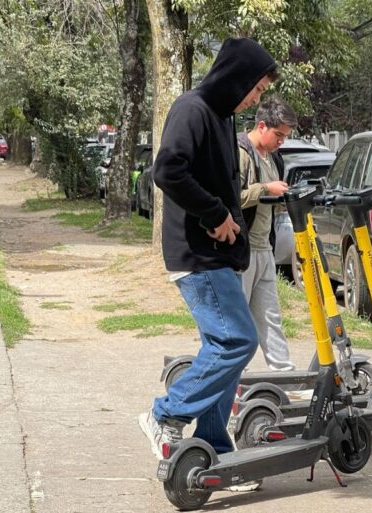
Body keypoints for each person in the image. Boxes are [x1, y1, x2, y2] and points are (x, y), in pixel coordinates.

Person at [140, 38, 278, 466]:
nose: (256, 99)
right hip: (195, 255)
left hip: (220, 255)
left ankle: (215, 444)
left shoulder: (221, 118)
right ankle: (164, 414)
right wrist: (215, 214)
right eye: (255, 89)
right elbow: (167, 170)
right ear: (236, 77)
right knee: (238, 341)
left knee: (224, 352)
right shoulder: (192, 108)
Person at [238, 97, 297, 371]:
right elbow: (231, 198)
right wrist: (266, 189)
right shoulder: (241, 152)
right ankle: (233, 377)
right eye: (279, 135)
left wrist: (281, 197)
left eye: (285, 137)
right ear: (262, 126)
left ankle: (284, 372)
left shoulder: (274, 157)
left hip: (265, 248)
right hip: (242, 250)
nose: (281, 142)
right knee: (237, 322)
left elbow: (270, 195)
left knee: (271, 316)